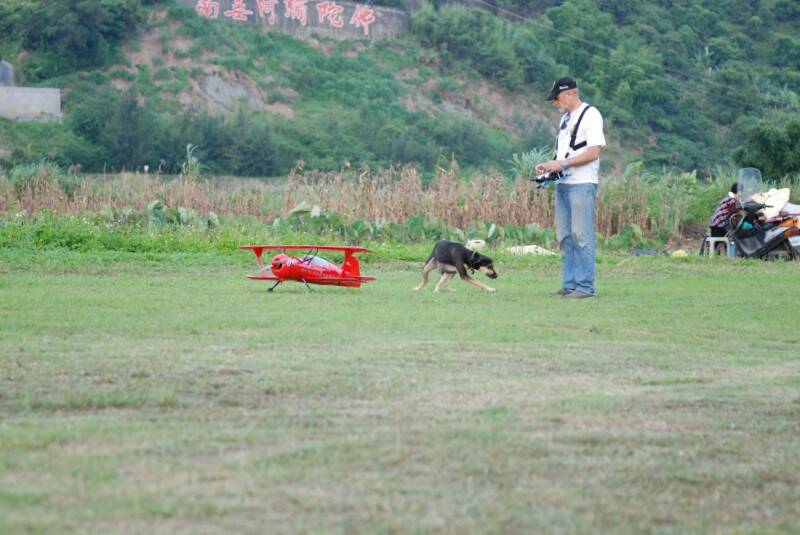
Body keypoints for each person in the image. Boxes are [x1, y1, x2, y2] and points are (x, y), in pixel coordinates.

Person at [536, 77, 606, 299]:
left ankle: (586, 287)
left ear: (569, 94)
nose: (555, 103)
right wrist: (550, 167)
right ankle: (570, 284)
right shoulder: (565, 119)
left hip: (582, 184)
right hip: (563, 183)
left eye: (557, 98)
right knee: (565, 235)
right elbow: (564, 155)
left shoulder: (591, 115)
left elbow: (593, 152)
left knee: (582, 235)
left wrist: (562, 164)